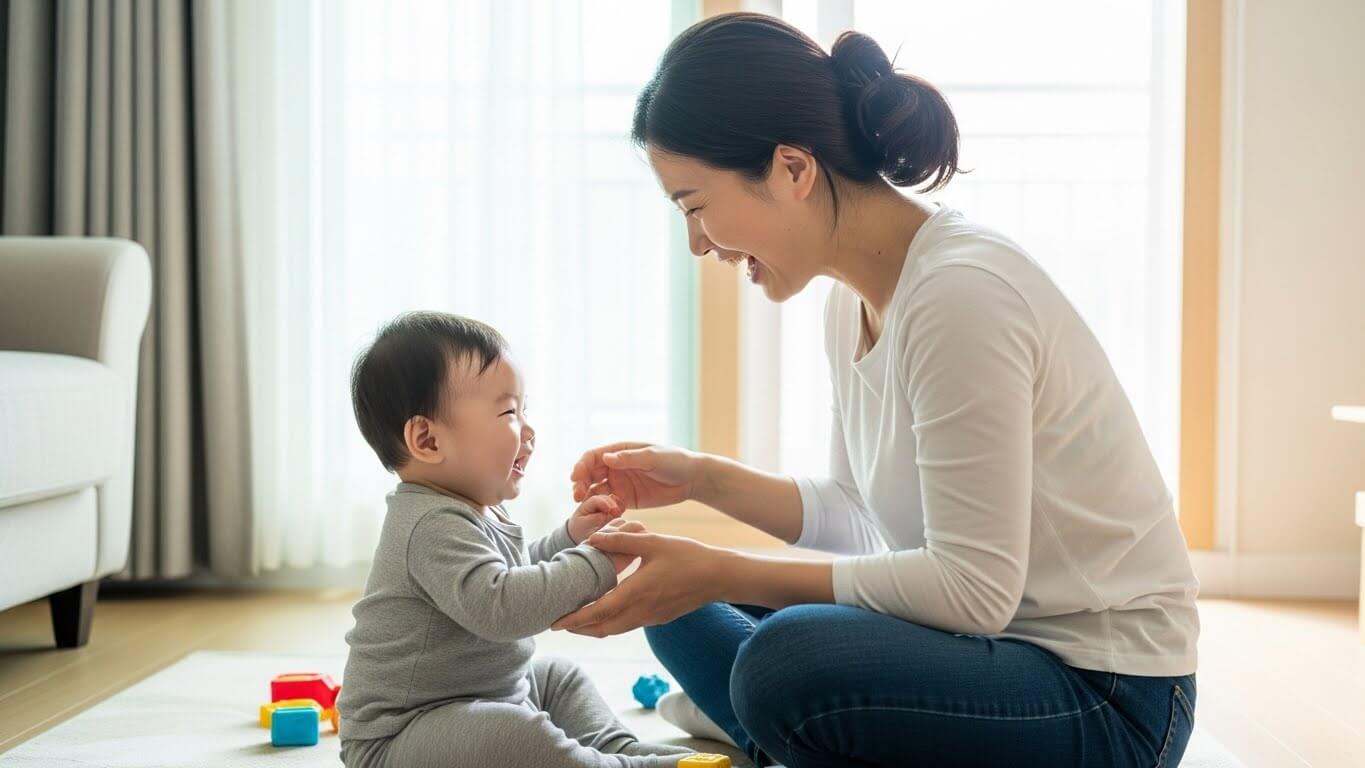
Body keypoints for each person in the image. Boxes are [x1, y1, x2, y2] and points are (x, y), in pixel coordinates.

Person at [551, 13, 1200, 768]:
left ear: (792, 169)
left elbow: (972, 589)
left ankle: (779, 731)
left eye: (696, 206)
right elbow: (861, 516)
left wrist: (724, 567)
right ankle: (790, 738)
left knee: (782, 659)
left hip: (1105, 696)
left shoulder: (961, 295)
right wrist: (700, 480)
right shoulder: (851, 299)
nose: (699, 244)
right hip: (980, 650)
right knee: (677, 604)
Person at [337, 311, 695, 768]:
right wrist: (594, 563)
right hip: (402, 736)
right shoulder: (427, 523)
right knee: (514, 734)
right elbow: (501, 607)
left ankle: (617, 747)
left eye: (525, 410)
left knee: (557, 678)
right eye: (509, 412)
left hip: (478, 699)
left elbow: (514, 572)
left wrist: (570, 538)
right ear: (427, 439)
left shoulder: (470, 508)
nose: (528, 430)